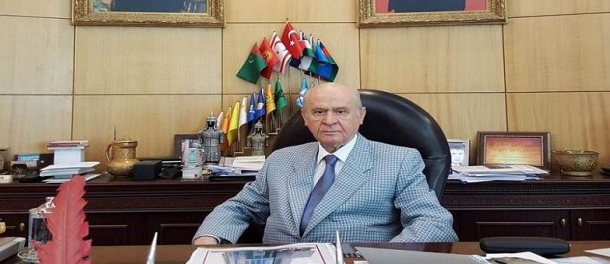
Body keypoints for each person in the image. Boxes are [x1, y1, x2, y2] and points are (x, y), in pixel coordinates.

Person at [193, 82, 457, 244]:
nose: (329, 121)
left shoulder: (399, 160)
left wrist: (385, 259)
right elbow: (240, 208)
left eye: (340, 111)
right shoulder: (281, 160)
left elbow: (432, 221)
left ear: (361, 116)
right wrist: (209, 238)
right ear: (305, 118)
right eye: (319, 112)